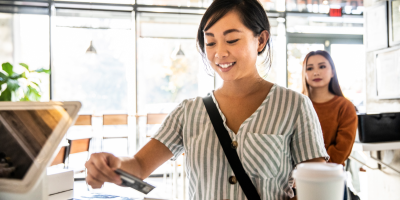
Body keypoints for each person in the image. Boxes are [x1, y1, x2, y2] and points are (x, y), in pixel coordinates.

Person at [85, 0, 329, 199]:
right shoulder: (189, 112)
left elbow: (319, 189)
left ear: (261, 40)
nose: (219, 53)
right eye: (210, 42)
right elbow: (139, 165)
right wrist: (113, 164)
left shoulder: (294, 106)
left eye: (232, 40)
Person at [301, 50, 358, 166]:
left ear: (332, 72)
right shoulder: (296, 104)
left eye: (322, 67)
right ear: (304, 74)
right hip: (297, 178)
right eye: (310, 68)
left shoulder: (345, 107)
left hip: (331, 177)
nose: (316, 72)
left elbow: (341, 150)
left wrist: (315, 166)